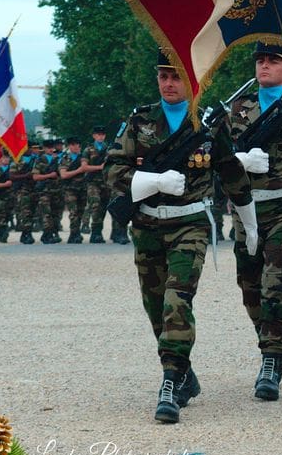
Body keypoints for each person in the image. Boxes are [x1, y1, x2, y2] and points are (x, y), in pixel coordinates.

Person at [106, 50, 257, 424]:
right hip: (146, 225)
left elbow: (230, 170)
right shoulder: (140, 120)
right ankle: (185, 373)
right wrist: (153, 181)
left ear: (192, 81)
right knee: (155, 305)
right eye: (163, 76)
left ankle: (170, 379)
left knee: (177, 299)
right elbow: (113, 171)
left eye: (177, 77)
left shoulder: (208, 124)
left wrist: (249, 220)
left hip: (190, 224)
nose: (169, 84)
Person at [226, 42, 282, 402]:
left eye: (273, 61)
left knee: (276, 284)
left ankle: (271, 360)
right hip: (246, 209)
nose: (265, 66)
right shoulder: (238, 109)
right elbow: (217, 156)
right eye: (260, 61)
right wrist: (239, 161)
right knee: (250, 287)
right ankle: (273, 341)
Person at [81, 126, 114, 244]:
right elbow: (84, 167)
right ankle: (95, 232)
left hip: (106, 182)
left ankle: (99, 231)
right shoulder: (88, 149)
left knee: (104, 207)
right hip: (93, 182)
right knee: (95, 205)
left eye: (103, 134)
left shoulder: (109, 149)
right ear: (94, 136)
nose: (101, 136)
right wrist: (99, 167)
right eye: (98, 134)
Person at [32, 139, 64, 244]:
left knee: (56, 213)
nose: (51, 150)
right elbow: (35, 176)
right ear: (44, 148)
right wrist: (49, 176)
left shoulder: (59, 159)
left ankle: (54, 232)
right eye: (48, 148)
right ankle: (47, 234)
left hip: (57, 190)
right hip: (44, 191)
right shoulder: (40, 160)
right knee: (46, 213)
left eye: (52, 147)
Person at [58, 137, 88, 243]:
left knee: (81, 211)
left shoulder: (84, 158)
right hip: (70, 189)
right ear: (69, 146)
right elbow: (64, 175)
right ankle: (73, 233)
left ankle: (77, 232)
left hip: (82, 188)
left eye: (78, 144)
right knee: (73, 211)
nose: (76, 147)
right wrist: (79, 170)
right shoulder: (65, 158)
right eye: (74, 145)